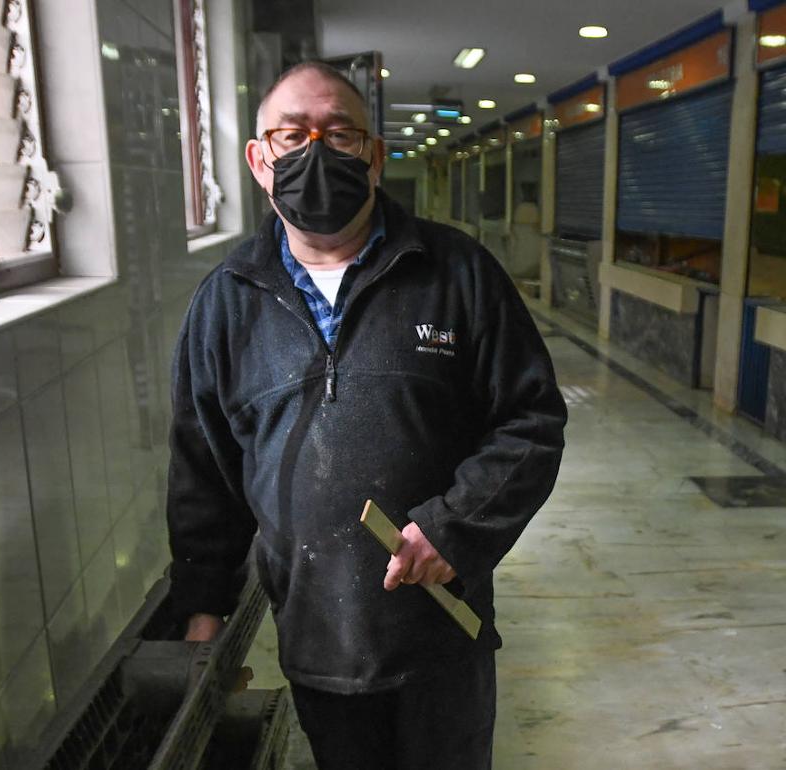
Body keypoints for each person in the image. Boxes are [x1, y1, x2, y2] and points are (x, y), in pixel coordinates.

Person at [164, 61, 567, 770]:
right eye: (292, 136)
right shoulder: (225, 304)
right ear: (260, 161)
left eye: (340, 134)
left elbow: (530, 420)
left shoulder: (457, 274)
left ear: (376, 157)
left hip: (442, 626)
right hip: (319, 635)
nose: (315, 153)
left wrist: (454, 528)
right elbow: (205, 470)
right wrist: (204, 610)